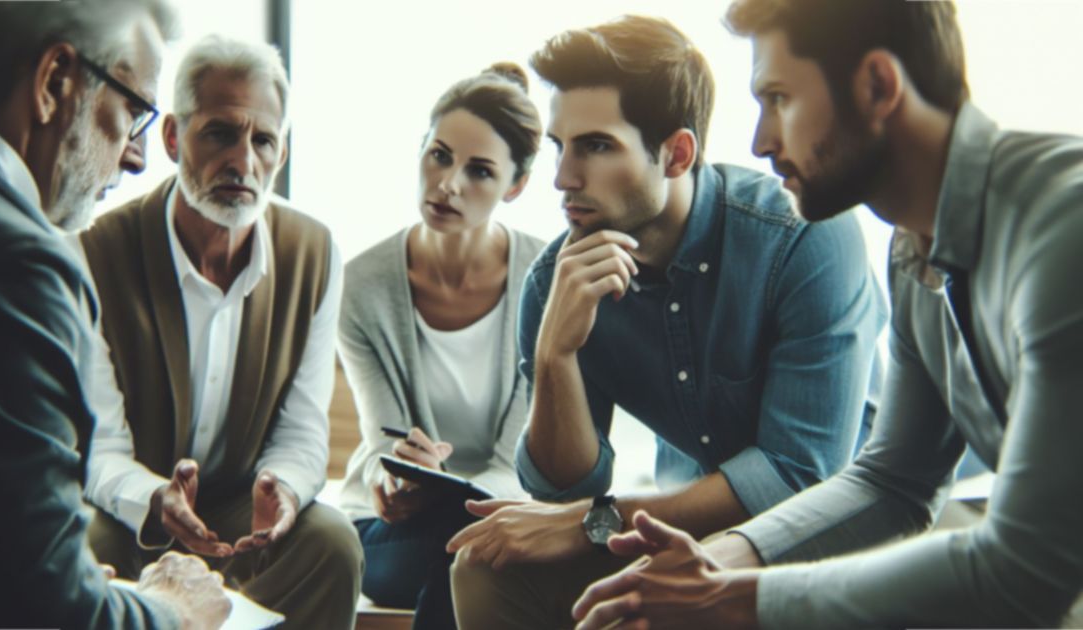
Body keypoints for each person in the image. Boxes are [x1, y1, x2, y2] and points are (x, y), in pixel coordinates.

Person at [570, 1, 1083, 628]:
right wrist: (723, 560)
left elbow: (1028, 570)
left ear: (877, 86)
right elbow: (893, 483)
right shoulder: (912, 250)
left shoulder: (1065, 229)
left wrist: (730, 598)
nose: (761, 141)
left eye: (779, 98)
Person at [449, 15, 886, 629]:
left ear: (676, 154)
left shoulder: (802, 238)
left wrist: (594, 524)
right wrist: (556, 356)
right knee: (485, 564)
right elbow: (563, 492)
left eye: (596, 146)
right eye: (560, 146)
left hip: (824, 532)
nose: (563, 178)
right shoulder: (558, 277)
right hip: (677, 526)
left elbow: (797, 475)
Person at [0, 1, 232, 627]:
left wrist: (34, 567)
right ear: (54, 83)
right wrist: (174, 611)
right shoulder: (17, 264)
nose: (137, 158)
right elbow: (52, 611)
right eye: (133, 113)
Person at [79, 34, 362, 629]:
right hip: (137, 514)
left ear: (281, 153)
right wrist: (156, 499)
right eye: (220, 134)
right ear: (174, 136)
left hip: (243, 520)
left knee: (332, 544)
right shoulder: (98, 253)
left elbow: (303, 429)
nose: (243, 162)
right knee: (84, 540)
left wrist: (282, 487)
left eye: (263, 140)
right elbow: (100, 448)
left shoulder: (314, 252)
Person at [337, 62, 545, 629]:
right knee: (469, 549)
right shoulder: (360, 286)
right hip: (390, 529)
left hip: (502, 515)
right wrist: (397, 481)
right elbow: (386, 440)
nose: (448, 183)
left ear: (517, 185)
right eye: (439, 155)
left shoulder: (546, 281)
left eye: (479, 171)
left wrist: (481, 506)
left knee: (482, 548)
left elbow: (516, 464)